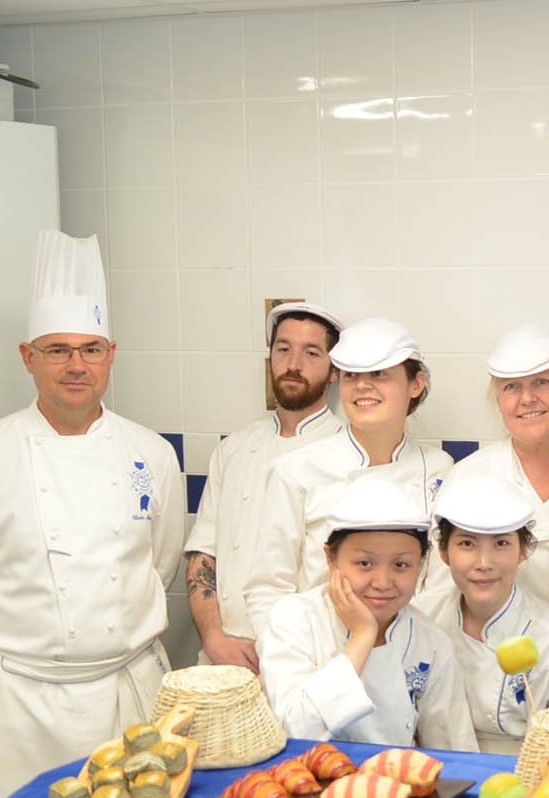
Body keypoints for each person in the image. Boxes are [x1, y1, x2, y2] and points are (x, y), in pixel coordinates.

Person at [0, 232, 184, 798]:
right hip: (15, 707)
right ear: (27, 357)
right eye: (57, 350)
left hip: (127, 696)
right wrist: (27, 650)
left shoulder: (152, 455)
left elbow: (158, 565)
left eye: (90, 349)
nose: (76, 366)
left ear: (111, 354)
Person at [244, 316, 453, 636]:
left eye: (380, 374)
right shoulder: (296, 469)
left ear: (416, 383)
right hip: (318, 657)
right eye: (351, 375)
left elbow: (440, 590)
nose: (363, 386)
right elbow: (267, 590)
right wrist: (287, 665)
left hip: (410, 658)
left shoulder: (440, 470)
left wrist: (407, 656)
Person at [183, 301, 342, 672]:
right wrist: (213, 638)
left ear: (334, 370)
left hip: (309, 664)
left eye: (311, 352)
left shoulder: (350, 455)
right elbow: (203, 555)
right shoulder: (233, 449)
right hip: (223, 659)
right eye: (283, 349)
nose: (293, 364)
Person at [255, 481, 475, 748]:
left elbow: (453, 750)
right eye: (364, 563)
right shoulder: (293, 619)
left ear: (421, 565)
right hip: (307, 780)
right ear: (331, 559)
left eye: (401, 565)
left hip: (396, 783)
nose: (382, 582)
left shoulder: (431, 642)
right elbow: (296, 729)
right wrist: (363, 636)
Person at [425, 470, 549, 755]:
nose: (484, 563)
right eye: (467, 544)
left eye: (501, 543)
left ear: (524, 551)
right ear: (444, 552)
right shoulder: (424, 620)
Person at [447, 324, 549, 615]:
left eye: (542, 382)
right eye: (512, 387)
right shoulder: (471, 476)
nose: (527, 398)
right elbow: (448, 589)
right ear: (498, 401)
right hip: (503, 651)